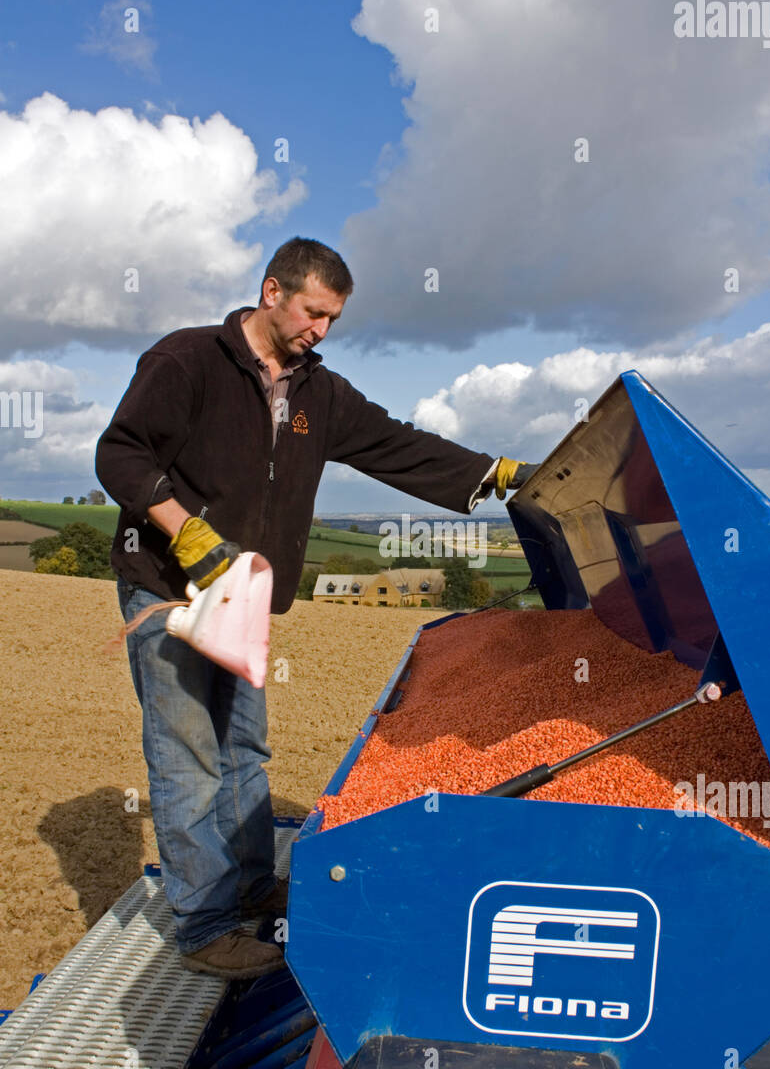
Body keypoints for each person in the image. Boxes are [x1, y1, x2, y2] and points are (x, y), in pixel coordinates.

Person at [95, 237, 533, 979]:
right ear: (272, 292)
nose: (320, 331)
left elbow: (397, 445)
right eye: (313, 312)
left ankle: (252, 883)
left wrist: (490, 473)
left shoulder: (317, 393)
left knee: (244, 748)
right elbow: (121, 454)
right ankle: (204, 925)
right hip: (172, 590)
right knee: (190, 756)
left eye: (333, 320)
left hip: (244, 594)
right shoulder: (187, 361)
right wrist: (186, 529)